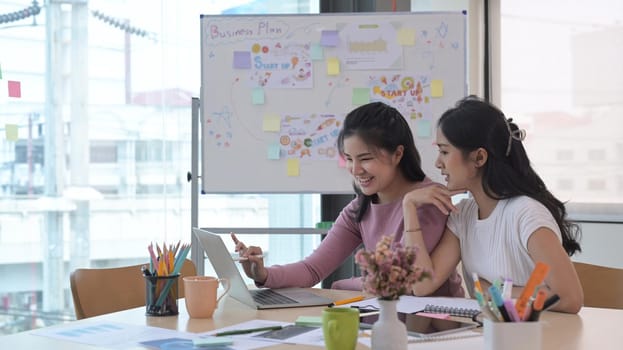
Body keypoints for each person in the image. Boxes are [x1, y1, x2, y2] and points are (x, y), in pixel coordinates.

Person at [231, 101, 464, 297]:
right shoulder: (360, 208)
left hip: (432, 331)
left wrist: (343, 286)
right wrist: (262, 274)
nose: (355, 169)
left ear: (398, 154)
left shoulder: (429, 201)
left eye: (364, 158)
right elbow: (313, 269)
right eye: (349, 159)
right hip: (378, 321)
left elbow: (405, 283)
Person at [402, 95, 583, 313]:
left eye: (444, 151)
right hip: (493, 336)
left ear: (479, 158)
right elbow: (422, 286)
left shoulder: (526, 214)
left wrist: (495, 292)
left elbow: (570, 298)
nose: (438, 162)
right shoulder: (463, 214)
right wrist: (409, 205)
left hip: (537, 338)